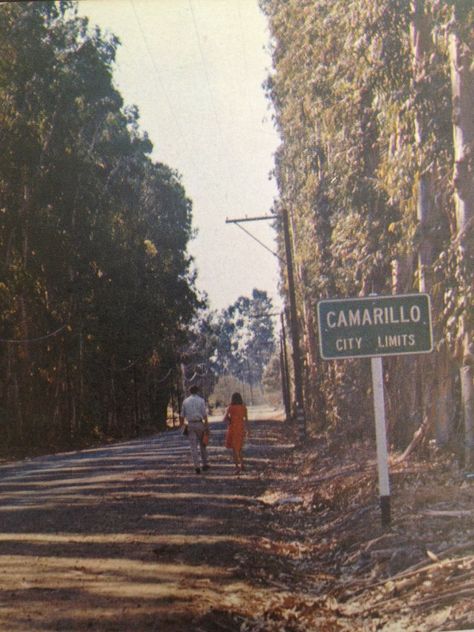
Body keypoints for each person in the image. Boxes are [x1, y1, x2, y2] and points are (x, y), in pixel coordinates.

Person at [180, 385, 210, 474]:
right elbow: (204, 414)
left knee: (193, 446)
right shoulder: (201, 400)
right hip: (199, 423)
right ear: (197, 391)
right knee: (203, 444)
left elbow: (182, 416)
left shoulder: (185, 401)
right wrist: (207, 426)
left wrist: (182, 426)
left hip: (190, 424)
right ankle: (204, 464)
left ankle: (196, 466)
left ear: (189, 392)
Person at [223, 392, 248, 475]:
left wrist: (230, 419)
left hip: (233, 429)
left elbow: (224, 418)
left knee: (234, 449)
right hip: (241, 429)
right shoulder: (244, 407)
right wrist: (248, 430)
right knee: (240, 448)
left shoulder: (230, 407)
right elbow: (246, 420)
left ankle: (237, 468)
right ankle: (243, 465)